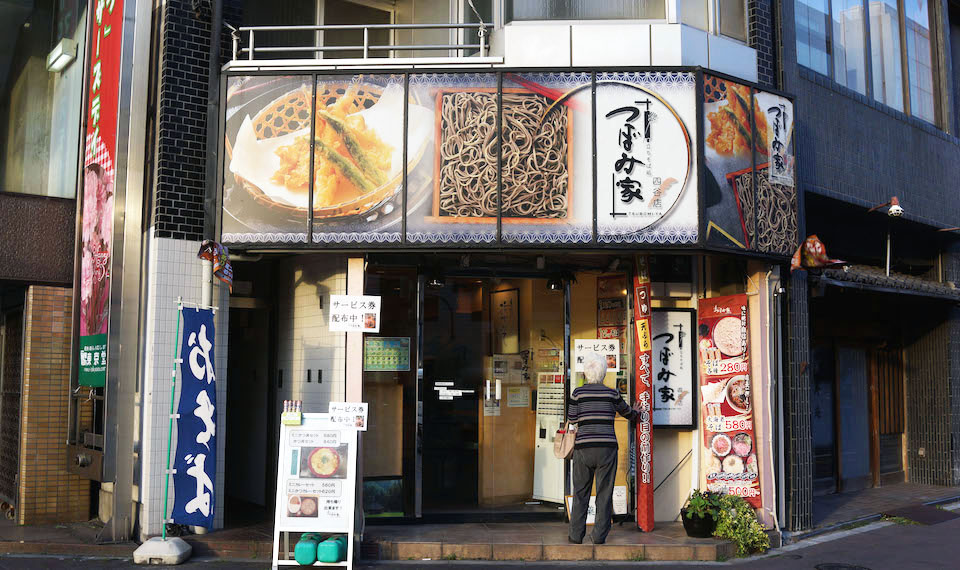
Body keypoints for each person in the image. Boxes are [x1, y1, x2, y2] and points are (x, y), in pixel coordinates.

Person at [567, 351, 641, 545]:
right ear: (604, 372)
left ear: (585, 373)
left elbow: (572, 419)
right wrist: (636, 411)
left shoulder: (578, 393)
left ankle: (576, 535)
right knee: (604, 493)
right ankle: (599, 536)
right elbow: (629, 413)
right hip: (607, 449)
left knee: (580, 493)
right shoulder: (612, 393)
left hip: (583, 448)